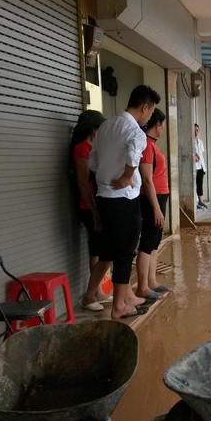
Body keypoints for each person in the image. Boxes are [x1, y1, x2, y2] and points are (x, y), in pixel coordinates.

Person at [82, 85, 161, 320]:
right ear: (145, 107)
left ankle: (90, 296)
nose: (149, 117)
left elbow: (93, 160)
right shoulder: (134, 130)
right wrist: (126, 177)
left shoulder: (106, 125)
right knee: (125, 253)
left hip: (104, 198)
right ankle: (119, 307)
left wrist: (105, 177)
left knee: (107, 251)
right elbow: (133, 154)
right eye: (150, 112)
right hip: (123, 200)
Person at [71, 110, 110, 311]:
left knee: (96, 249)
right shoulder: (81, 149)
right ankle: (90, 295)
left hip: (94, 205)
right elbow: (83, 184)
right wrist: (95, 212)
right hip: (88, 207)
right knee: (102, 249)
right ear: (94, 130)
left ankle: (96, 292)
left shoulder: (90, 148)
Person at [136, 108, 171, 299]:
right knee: (147, 241)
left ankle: (151, 281)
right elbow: (147, 179)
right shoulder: (146, 146)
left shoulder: (152, 145)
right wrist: (156, 208)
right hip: (152, 199)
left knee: (155, 242)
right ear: (157, 125)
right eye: (162, 124)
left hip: (159, 197)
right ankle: (142, 287)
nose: (163, 128)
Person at [194, 123, 207, 209]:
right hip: (194, 166)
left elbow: (201, 155)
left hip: (201, 165)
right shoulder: (190, 141)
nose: (196, 132)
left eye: (197, 130)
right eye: (194, 130)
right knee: (194, 184)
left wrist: (204, 167)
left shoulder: (200, 141)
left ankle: (201, 200)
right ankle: (195, 202)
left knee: (200, 183)